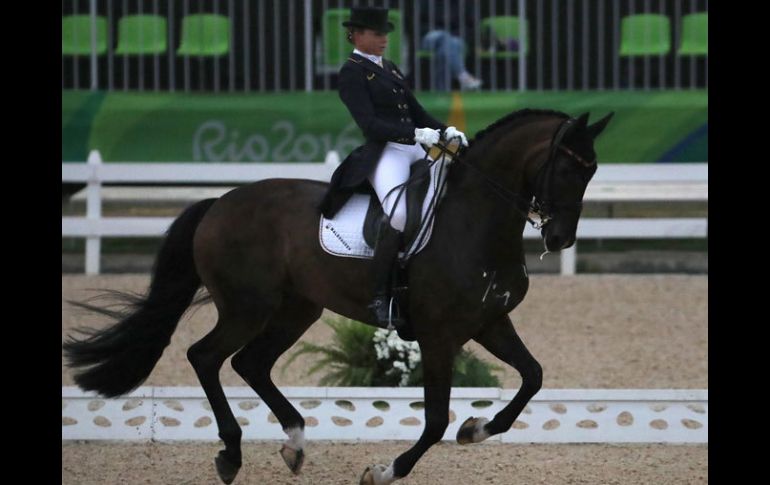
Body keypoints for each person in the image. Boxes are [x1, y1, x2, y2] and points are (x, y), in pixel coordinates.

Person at [319, 6, 469, 329]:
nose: (384, 38)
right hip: (386, 153)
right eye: (377, 33)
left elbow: (416, 111)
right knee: (398, 214)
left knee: (449, 189)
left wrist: (445, 130)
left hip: (413, 147)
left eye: (385, 33)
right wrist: (415, 134)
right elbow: (370, 124)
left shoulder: (390, 67)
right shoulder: (352, 72)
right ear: (357, 35)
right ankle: (378, 297)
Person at [419, 0, 482, 91]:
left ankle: (441, 90)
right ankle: (462, 74)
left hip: (455, 38)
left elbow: (470, 27)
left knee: (445, 49)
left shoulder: (465, 4)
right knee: (446, 39)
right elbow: (420, 23)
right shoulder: (427, 3)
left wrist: (450, 36)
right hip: (431, 37)